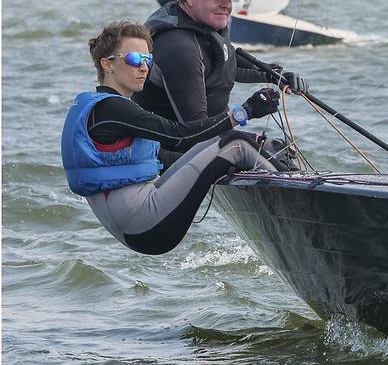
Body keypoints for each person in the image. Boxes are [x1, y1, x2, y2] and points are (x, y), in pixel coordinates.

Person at [61, 20, 281, 256]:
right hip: (147, 225)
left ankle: (284, 183)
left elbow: (173, 149)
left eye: (148, 60)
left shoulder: (104, 107)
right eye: (135, 60)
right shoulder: (111, 110)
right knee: (237, 144)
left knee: (225, 142)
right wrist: (245, 111)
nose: (144, 68)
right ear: (107, 65)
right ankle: (297, 201)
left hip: (136, 226)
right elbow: (180, 136)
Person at [133, 0, 307, 168]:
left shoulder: (201, 27)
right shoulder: (179, 47)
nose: (226, 5)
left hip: (207, 139)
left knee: (277, 149)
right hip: (168, 156)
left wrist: (276, 76)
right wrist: (249, 111)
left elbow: (226, 64)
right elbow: (196, 132)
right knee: (265, 154)